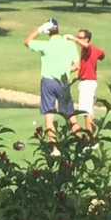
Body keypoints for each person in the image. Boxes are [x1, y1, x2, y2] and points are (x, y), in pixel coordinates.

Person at [24, 18, 80, 157]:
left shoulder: (46, 45)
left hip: (48, 82)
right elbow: (77, 65)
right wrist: (67, 70)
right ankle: (82, 144)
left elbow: (27, 41)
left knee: (49, 115)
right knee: (70, 114)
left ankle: (55, 149)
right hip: (63, 81)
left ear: (48, 31)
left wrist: (38, 29)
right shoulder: (70, 45)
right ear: (58, 29)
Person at [65, 29, 105, 136]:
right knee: (89, 112)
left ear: (86, 39)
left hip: (87, 83)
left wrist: (73, 38)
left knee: (86, 113)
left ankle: (90, 140)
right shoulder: (87, 50)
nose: (78, 39)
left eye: (80, 37)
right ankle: (92, 137)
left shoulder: (88, 48)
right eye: (77, 36)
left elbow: (89, 47)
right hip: (87, 83)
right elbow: (102, 54)